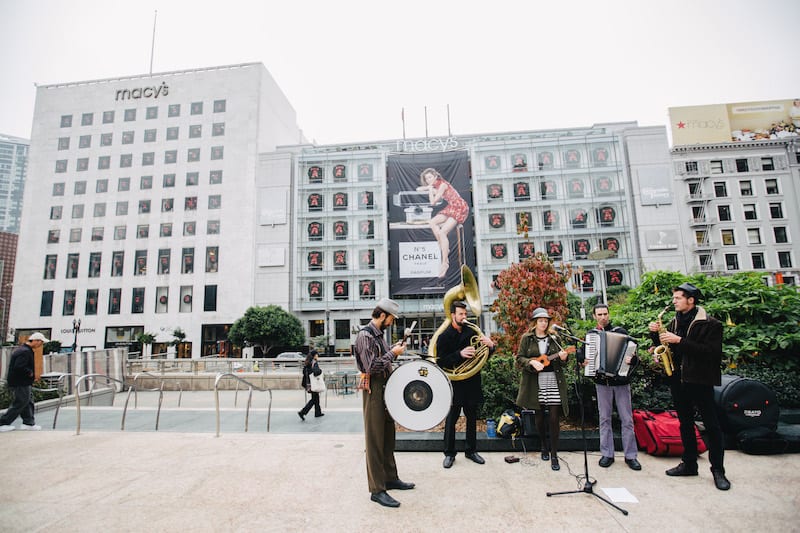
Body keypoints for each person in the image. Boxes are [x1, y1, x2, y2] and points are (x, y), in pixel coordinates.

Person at [648, 282, 730, 491]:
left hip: (700, 380)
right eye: (674, 298)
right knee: (685, 423)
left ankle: (718, 470)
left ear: (691, 300)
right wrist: (655, 337)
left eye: (678, 298)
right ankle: (690, 464)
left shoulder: (711, 324)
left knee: (712, 426)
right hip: (679, 379)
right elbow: (669, 348)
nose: (673, 301)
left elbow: (711, 353)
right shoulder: (675, 322)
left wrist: (679, 340)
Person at [353, 298, 414, 508]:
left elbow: (383, 360)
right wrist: (393, 353)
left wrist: (392, 350)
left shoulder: (379, 336)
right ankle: (377, 490)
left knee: (388, 436)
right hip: (374, 391)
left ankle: (390, 478)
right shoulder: (365, 336)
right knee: (374, 440)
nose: (391, 322)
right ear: (382, 315)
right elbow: (371, 366)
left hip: (386, 390)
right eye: (390, 318)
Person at [436, 301, 495, 469]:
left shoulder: (472, 332)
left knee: (471, 418)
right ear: (452, 315)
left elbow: (482, 356)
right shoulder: (444, 336)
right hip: (455, 384)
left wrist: (491, 347)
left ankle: (471, 451)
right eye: (461, 314)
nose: (464, 317)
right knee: (452, 419)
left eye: (465, 314)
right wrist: (459, 354)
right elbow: (441, 362)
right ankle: (449, 453)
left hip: (471, 382)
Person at [515, 308, 569, 470]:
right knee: (538, 415)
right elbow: (519, 358)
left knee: (553, 417)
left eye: (546, 320)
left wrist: (565, 358)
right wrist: (531, 362)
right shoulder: (527, 338)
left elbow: (563, 359)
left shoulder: (555, 337)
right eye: (540, 320)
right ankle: (543, 446)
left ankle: (554, 454)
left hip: (553, 379)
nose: (543, 323)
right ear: (535, 322)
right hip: (534, 381)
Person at [590, 304, 641, 471]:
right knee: (604, 419)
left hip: (621, 382)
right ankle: (607, 454)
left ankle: (631, 456)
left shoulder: (621, 332)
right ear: (594, 316)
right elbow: (585, 356)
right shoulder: (592, 336)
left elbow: (634, 358)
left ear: (609, 314)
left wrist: (632, 361)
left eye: (605, 313)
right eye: (599, 314)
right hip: (602, 383)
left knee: (627, 419)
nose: (603, 317)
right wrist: (584, 360)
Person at [416, 168, 469, 278]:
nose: (428, 180)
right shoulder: (435, 186)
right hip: (451, 207)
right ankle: (442, 244)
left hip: (459, 207)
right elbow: (418, 189)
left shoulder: (443, 185)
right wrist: (427, 187)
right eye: (426, 179)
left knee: (442, 233)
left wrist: (429, 190)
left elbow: (433, 202)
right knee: (432, 222)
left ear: (435, 176)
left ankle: (445, 263)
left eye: (430, 177)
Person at [0, 332, 48, 432]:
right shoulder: (25, 351)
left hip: (23, 382)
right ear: (35, 341)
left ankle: (28, 423)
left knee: (27, 402)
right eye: (41, 342)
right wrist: (30, 372)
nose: (41, 345)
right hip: (20, 382)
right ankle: (3, 422)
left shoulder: (25, 350)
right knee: (20, 402)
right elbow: (19, 366)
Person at [298, 350, 324, 420]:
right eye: (317, 355)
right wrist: (320, 370)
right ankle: (302, 412)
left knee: (316, 398)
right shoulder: (314, 362)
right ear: (315, 355)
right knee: (314, 399)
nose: (318, 356)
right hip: (314, 384)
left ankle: (318, 412)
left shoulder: (307, 362)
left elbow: (304, 372)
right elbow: (316, 372)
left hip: (309, 383)